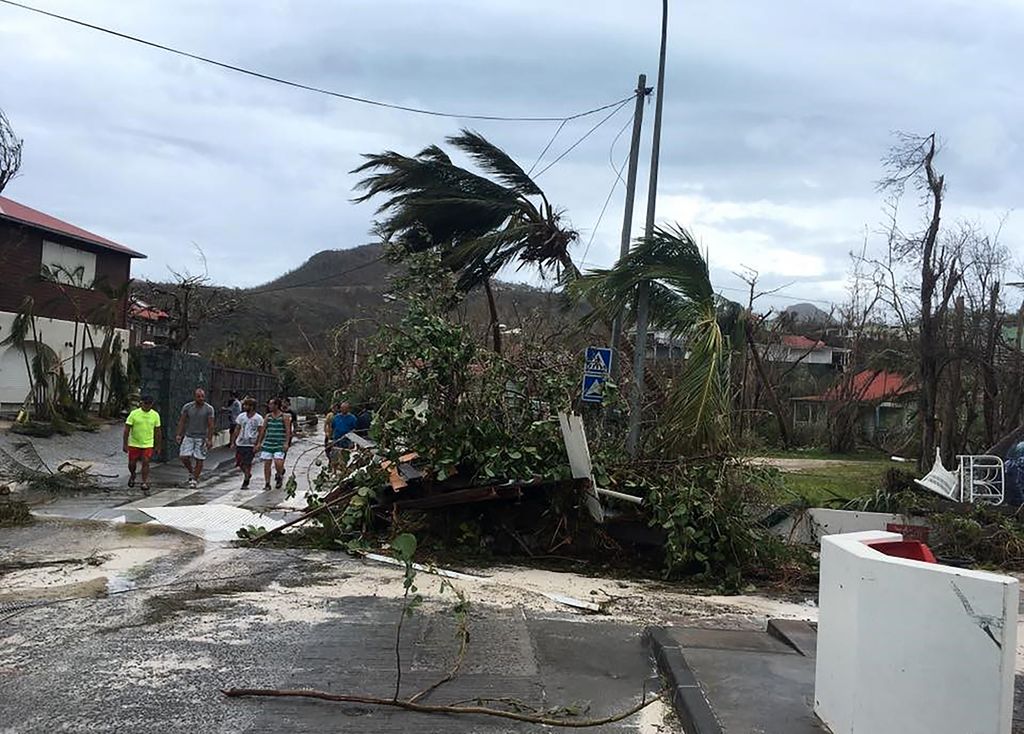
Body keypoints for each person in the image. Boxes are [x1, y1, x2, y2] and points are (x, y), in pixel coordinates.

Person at [175, 387, 215, 489]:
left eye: (202, 396)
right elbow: (182, 421)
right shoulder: (188, 407)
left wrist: (209, 439)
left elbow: (211, 425)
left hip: (201, 438)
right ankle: (191, 471)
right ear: (194, 397)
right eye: (198, 396)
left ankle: (194, 479)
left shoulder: (209, 409)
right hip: (189, 436)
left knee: (199, 458)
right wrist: (179, 434)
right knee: (183, 456)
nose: (201, 398)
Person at [123, 395, 162, 492]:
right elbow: (127, 430)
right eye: (145, 403)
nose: (147, 406)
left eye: (149, 404)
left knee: (146, 461)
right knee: (132, 463)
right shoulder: (134, 414)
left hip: (148, 443)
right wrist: (125, 443)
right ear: (141, 403)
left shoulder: (155, 415)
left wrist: (158, 445)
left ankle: (144, 482)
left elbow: (158, 431)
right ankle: (133, 474)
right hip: (134, 443)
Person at [254, 398, 291, 490]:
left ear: (276, 405)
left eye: (271, 404)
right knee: (267, 464)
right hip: (268, 443)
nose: (269, 406)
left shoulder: (284, 417)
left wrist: (286, 443)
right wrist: (259, 443)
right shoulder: (268, 416)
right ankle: (267, 483)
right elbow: (263, 430)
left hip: (279, 443)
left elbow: (288, 431)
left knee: (278, 462)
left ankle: (279, 475)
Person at [230, 397, 263, 489]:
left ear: (252, 407)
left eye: (247, 405)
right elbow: (237, 429)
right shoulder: (241, 417)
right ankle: (247, 473)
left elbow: (261, 431)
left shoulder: (258, 418)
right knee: (240, 462)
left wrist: (258, 443)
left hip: (251, 444)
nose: (244, 407)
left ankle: (246, 479)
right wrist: (233, 441)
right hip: (241, 443)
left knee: (247, 462)